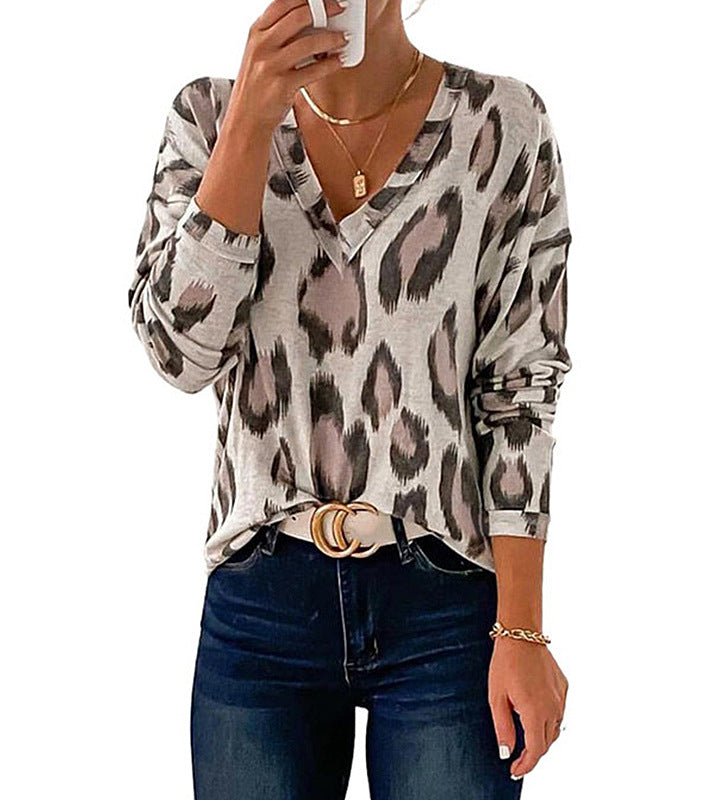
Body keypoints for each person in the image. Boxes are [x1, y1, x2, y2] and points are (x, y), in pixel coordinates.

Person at [127, 1, 572, 797]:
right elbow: (179, 354)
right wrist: (250, 121)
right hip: (261, 601)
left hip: (445, 603)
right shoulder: (208, 117)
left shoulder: (501, 122)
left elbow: (518, 391)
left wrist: (524, 629)